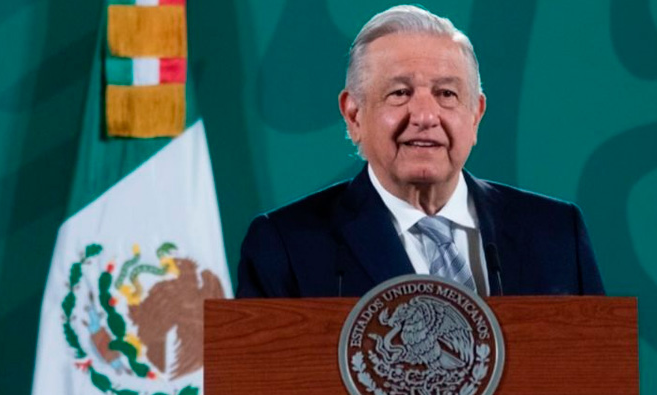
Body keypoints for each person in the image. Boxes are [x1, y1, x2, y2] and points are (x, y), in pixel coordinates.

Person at [237, 5, 603, 299]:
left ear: (475, 115)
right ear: (354, 115)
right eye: (399, 93)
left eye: (447, 94)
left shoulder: (557, 234)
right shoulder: (285, 246)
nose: (426, 116)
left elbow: (598, 367)